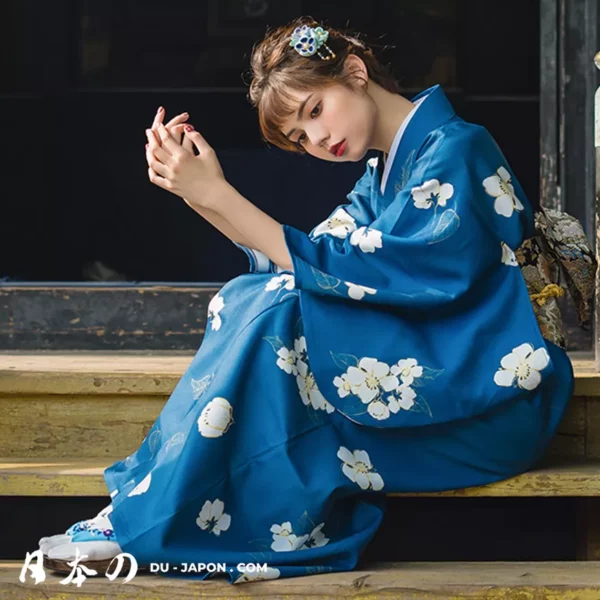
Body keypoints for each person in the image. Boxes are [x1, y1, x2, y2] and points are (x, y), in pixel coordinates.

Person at [38, 16, 575, 584]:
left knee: (278, 314)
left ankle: (142, 518)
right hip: (427, 383)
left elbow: (354, 273)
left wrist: (218, 193)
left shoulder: (458, 148)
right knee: (255, 297)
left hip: (491, 400)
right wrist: (197, 193)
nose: (316, 139)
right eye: (299, 136)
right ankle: (144, 511)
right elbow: (304, 261)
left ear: (355, 71)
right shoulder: (383, 174)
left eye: (314, 111)